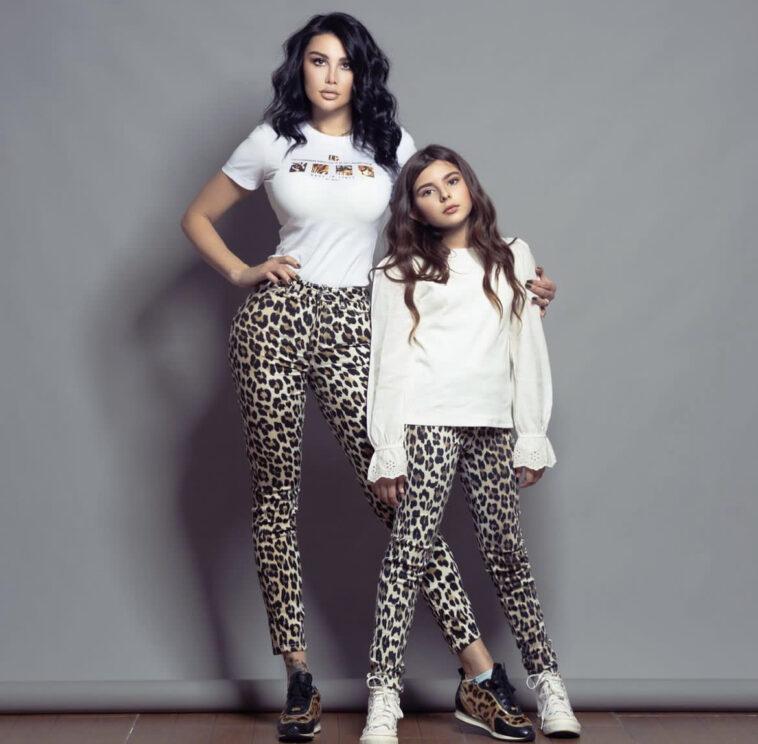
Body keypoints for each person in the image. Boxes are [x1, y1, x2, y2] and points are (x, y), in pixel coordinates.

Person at [180, 13, 557, 742]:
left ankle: (478, 676)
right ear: (300, 68)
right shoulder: (272, 140)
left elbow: (449, 223)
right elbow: (197, 217)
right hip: (276, 321)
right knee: (275, 496)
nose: (330, 76)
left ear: (362, 73)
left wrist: (518, 279)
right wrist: (242, 271)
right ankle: (298, 677)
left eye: (344, 63)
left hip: (360, 321)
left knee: (400, 493)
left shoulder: (390, 144)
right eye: (318, 61)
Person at [360, 145, 580, 744]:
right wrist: (388, 448)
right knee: (408, 555)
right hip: (426, 423)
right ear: (416, 210)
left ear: (470, 185)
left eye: (452, 181)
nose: (445, 195)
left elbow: (526, 348)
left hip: (494, 424)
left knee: (507, 553)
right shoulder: (398, 269)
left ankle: (549, 685)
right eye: (428, 191)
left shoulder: (514, 256)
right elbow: (388, 363)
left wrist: (531, 434)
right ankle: (384, 697)